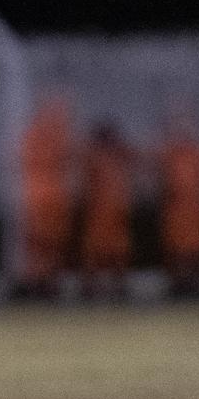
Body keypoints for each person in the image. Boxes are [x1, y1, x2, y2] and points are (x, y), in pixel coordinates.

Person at [11, 95, 74, 301]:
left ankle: (39, 283)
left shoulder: (30, 136)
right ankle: (40, 283)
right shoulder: (54, 136)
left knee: (42, 244)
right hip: (47, 197)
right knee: (46, 244)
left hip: (36, 195)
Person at [158, 107, 199, 299]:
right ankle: (176, 286)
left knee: (196, 249)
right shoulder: (169, 153)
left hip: (195, 211)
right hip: (175, 211)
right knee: (175, 249)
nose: (184, 131)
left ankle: (196, 286)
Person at [78, 121, 135, 300]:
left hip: (116, 216)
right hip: (99, 215)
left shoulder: (120, 158)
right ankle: (90, 289)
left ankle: (118, 288)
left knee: (118, 252)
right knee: (94, 251)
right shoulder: (92, 158)